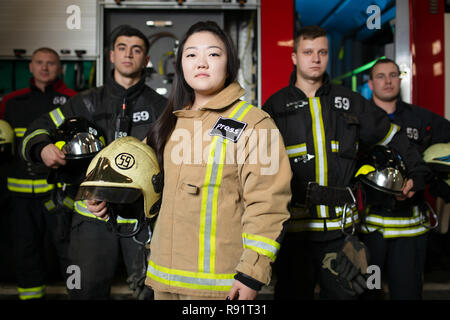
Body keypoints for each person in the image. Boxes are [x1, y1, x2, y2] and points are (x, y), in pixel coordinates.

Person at [88, 21, 292, 300]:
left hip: (220, 287)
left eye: (213, 54)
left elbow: (269, 206)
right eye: (191, 55)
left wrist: (251, 274)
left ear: (229, 64)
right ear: (181, 66)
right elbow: (144, 188)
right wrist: (109, 201)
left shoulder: (254, 124)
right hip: (163, 281)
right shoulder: (168, 123)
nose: (202, 63)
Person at [262, 26, 430, 299]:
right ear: (294, 57)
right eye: (308, 52)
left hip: (341, 235)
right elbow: (258, 168)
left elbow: (394, 138)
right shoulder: (275, 107)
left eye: (322, 52)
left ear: (328, 56)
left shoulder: (349, 102)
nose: (315, 58)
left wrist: (417, 172)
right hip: (294, 236)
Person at [22, 26, 168, 299]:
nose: (129, 55)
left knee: (152, 294)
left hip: (143, 220)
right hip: (91, 221)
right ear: (112, 56)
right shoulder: (85, 103)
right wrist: (42, 148)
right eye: (122, 48)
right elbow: (38, 127)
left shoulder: (161, 107)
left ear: (145, 59)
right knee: (83, 292)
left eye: (136, 50)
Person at [359, 58, 450, 299]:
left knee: (408, 294)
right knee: (370, 293)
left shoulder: (421, 119)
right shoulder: (359, 120)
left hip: (410, 230)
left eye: (393, 75)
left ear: (400, 79)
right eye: (380, 76)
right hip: (370, 230)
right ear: (370, 83)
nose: (387, 81)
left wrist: (422, 178)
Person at [1, 47, 77, 300]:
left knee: (69, 250)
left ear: (60, 68)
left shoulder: (73, 100)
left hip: (58, 194)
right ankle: (30, 297)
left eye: (51, 63)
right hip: (20, 198)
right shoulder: (11, 102)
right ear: (30, 67)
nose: (45, 68)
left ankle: (77, 294)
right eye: (40, 63)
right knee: (25, 250)